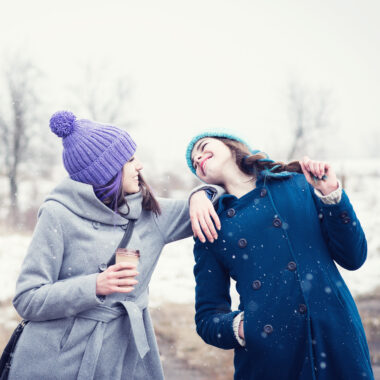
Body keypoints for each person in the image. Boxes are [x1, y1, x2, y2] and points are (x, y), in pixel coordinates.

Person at [7, 111, 223, 380]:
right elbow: (28, 299)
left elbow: (229, 199)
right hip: (57, 361)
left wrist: (200, 195)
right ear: (107, 171)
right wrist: (94, 285)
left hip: (124, 361)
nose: (140, 166)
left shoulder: (151, 214)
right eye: (130, 160)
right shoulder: (58, 214)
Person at [185, 132, 374, 380]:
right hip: (271, 359)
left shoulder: (296, 184)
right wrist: (245, 327)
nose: (197, 157)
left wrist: (332, 196)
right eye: (193, 162)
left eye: (202, 147)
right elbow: (208, 319)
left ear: (229, 144)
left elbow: (354, 257)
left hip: (336, 337)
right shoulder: (211, 225)